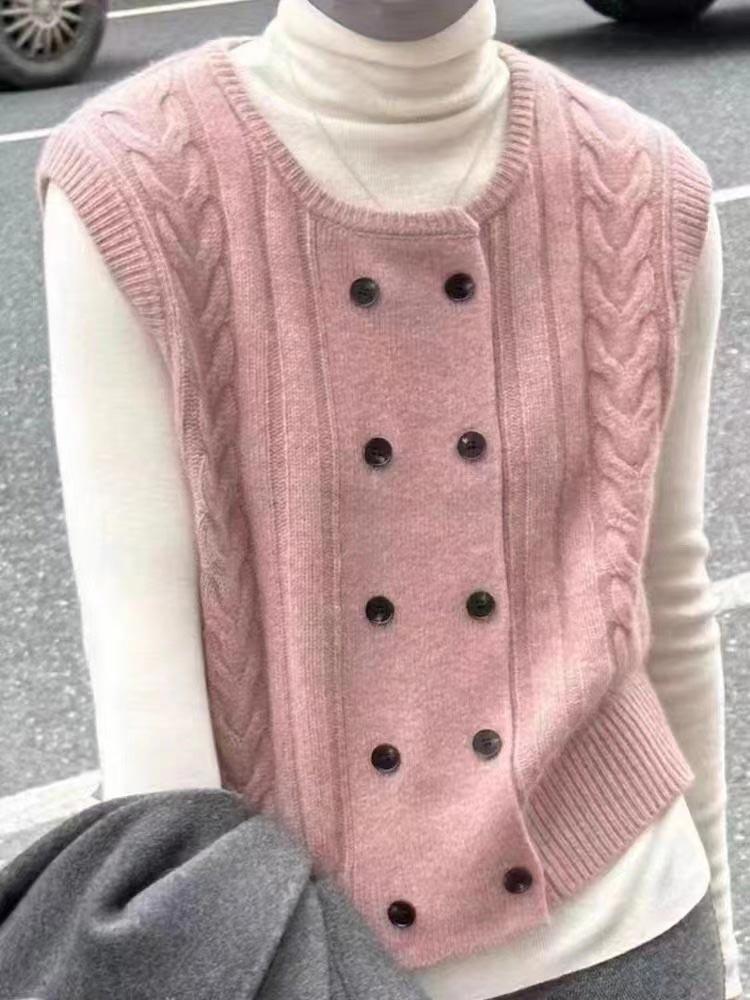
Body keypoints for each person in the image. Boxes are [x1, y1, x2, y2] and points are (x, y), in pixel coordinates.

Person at [35, 1, 741, 997]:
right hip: (298, 961)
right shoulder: (132, 180)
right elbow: (149, 710)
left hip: (637, 938)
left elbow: (669, 594)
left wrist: (725, 950)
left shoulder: (651, 185)